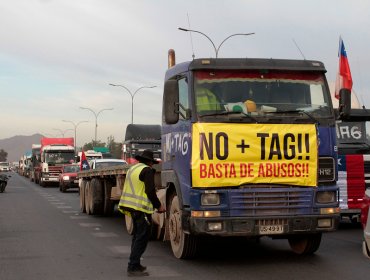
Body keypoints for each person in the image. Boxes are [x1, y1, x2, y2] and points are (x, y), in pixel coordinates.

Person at [118, 149, 165, 277]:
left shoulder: (133, 169)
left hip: (131, 207)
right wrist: (159, 206)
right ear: (149, 162)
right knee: (142, 238)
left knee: (137, 236)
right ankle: (132, 267)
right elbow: (150, 191)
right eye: (152, 163)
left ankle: (136, 263)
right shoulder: (147, 171)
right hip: (141, 208)